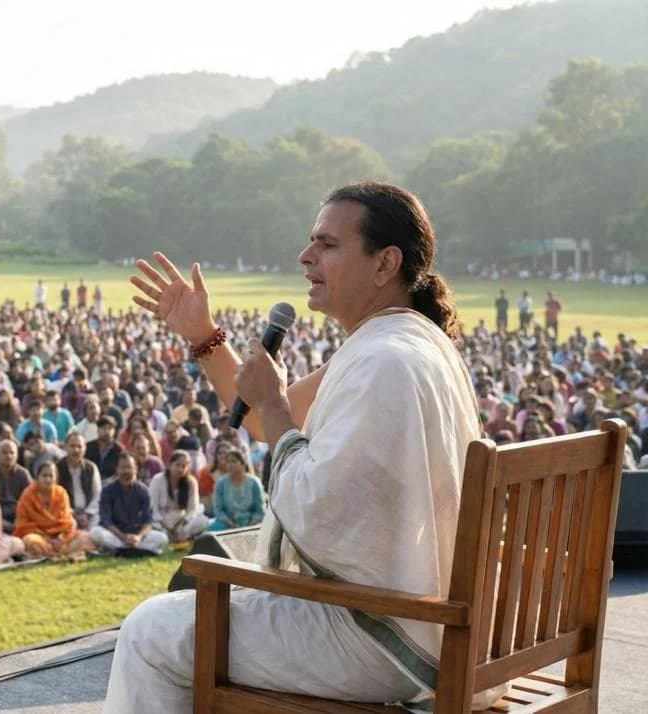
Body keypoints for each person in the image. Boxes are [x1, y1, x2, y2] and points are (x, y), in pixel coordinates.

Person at [107, 181, 482, 710]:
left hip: (381, 635)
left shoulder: (384, 362)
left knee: (152, 630)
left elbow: (313, 510)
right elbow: (263, 422)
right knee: (182, 628)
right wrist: (203, 335)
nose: (306, 257)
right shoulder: (401, 342)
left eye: (327, 245)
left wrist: (278, 407)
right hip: (427, 622)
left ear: (384, 264)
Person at [13, 462, 94, 561]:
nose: (48, 479)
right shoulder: (28, 495)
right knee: (30, 541)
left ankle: (53, 554)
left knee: (85, 537)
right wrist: (47, 538)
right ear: (37, 477)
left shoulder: (61, 493)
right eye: (44, 476)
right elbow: (23, 523)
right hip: (39, 536)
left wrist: (60, 538)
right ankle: (65, 554)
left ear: (56, 478)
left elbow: (66, 521)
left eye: (51, 476)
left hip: (61, 538)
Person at [90, 454, 167, 556]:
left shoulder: (143, 490)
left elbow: (148, 521)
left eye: (129, 467)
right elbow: (106, 521)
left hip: (137, 535)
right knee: (95, 533)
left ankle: (119, 550)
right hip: (116, 534)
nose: (126, 471)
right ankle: (141, 550)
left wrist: (138, 537)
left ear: (135, 469)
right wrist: (123, 537)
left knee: (162, 538)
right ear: (117, 470)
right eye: (123, 467)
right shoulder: (107, 490)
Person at [147, 451, 210, 542]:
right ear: (169, 465)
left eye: (184, 466)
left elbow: (192, 509)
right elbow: (153, 509)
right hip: (161, 522)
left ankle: (181, 536)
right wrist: (168, 529)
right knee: (156, 530)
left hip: (181, 522)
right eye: (178, 465)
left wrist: (180, 525)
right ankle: (172, 536)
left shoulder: (191, 482)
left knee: (203, 521)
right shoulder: (157, 479)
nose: (180, 469)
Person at [208, 447, 266, 531]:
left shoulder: (254, 482)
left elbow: (259, 510)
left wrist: (250, 525)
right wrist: (232, 525)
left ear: (243, 464)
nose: (230, 465)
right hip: (227, 523)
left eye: (233, 461)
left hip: (251, 522)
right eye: (228, 462)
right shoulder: (220, 483)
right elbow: (218, 511)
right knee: (212, 530)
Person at [0, 440, 30, 529]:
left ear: (17, 456)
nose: (8, 456)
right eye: (4, 452)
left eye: (12, 453)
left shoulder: (23, 474)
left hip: (18, 514)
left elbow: (31, 498)